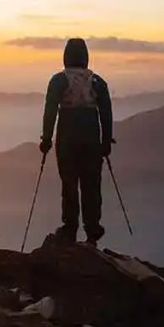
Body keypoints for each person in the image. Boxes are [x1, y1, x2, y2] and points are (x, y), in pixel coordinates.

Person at [39, 38, 113, 245]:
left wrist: (46, 138)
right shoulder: (97, 82)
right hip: (91, 139)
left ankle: (70, 228)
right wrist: (106, 141)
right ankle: (93, 230)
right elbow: (106, 113)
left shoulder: (58, 81)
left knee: (69, 184)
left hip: (67, 138)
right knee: (91, 185)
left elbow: (50, 110)